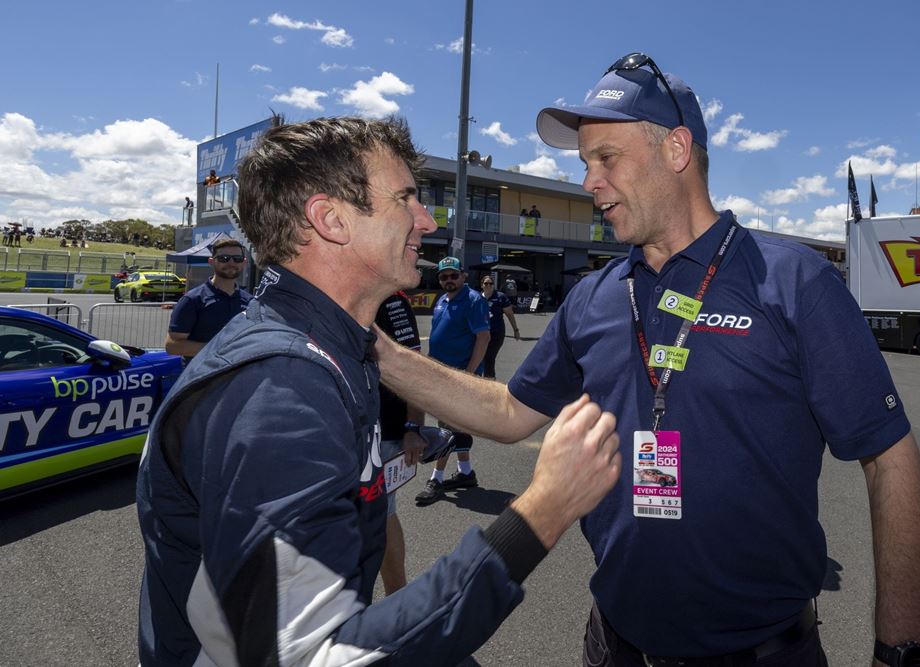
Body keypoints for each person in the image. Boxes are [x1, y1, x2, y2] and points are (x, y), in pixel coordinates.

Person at [376, 54, 920, 666]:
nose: (590, 182)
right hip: (613, 644)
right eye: (585, 163)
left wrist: (898, 651)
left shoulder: (794, 281)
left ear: (676, 149)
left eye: (606, 158)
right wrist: (378, 352)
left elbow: (890, 461)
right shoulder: (593, 297)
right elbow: (511, 411)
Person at [136, 115, 621, 667]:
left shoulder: (333, 345)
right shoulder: (281, 389)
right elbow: (320, 655)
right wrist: (544, 509)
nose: (426, 218)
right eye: (406, 199)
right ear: (331, 219)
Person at [413, 257, 490, 506]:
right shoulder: (442, 300)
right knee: (456, 427)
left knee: (446, 428)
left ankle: (436, 479)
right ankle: (466, 473)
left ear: (463, 276)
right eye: (444, 276)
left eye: (453, 275)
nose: (449, 280)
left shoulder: (473, 300)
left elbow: (483, 337)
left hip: (457, 376)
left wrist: (468, 372)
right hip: (440, 374)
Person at [374, 290, 427, 595]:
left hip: (386, 429)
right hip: (348, 425)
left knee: (381, 513)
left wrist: (413, 426)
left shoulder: (391, 300)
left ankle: (398, 596)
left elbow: (414, 365)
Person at [164, 238, 251, 361]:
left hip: (239, 377)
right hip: (201, 377)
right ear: (211, 261)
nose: (231, 263)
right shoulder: (192, 300)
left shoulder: (250, 302)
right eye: (224, 258)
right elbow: (172, 346)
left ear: (244, 262)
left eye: (237, 259)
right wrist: (219, 348)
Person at [479, 274, 520, 379]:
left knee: (489, 356)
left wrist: (515, 329)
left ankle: (490, 382)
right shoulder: (477, 298)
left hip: (496, 333)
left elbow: (509, 314)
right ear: (482, 285)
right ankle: (482, 380)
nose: (488, 285)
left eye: (490, 283)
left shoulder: (500, 297)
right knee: (480, 357)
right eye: (486, 283)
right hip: (481, 333)